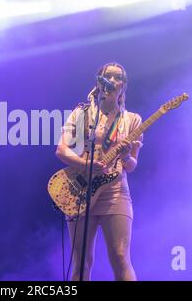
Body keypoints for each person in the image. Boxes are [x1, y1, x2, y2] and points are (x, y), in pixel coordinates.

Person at [56, 62, 143, 281]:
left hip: (115, 192)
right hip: (81, 189)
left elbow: (132, 166)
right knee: (82, 259)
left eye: (117, 78)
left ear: (123, 86)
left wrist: (124, 156)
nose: (112, 81)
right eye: (108, 77)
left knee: (121, 256)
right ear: (99, 81)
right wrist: (86, 165)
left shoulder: (132, 120)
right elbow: (61, 149)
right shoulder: (81, 113)